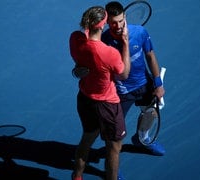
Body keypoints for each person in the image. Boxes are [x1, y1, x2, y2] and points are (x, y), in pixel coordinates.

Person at [73, 1, 166, 156]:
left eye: (121, 21)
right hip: (120, 93)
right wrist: (81, 71)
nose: (119, 26)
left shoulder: (140, 32)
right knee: (114, 135)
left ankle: (142, 138)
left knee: (152, 112)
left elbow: (150, 56)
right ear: (106, 23)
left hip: (144, 84)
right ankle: (113, 167)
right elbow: (90, 66)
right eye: (114, 23)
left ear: (125, 18)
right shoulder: (102, 42)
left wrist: (158, 83)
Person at [69, 5, 130, 180]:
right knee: (114, 148)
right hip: (107, 105)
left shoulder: (75, 39)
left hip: (85, 99)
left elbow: (81, 61)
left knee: (87, 139)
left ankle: (77, 176)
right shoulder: (109, 53)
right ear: (103, 25)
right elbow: (123, 74)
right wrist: (125, 42)